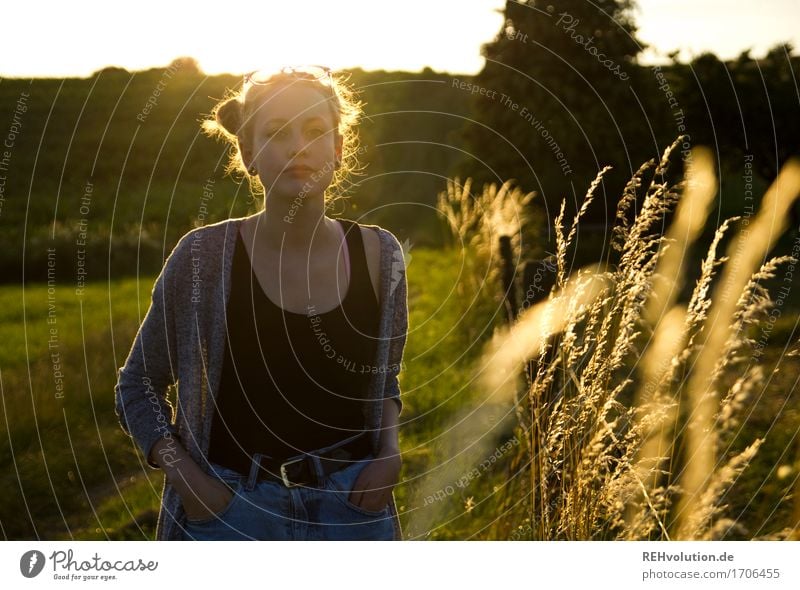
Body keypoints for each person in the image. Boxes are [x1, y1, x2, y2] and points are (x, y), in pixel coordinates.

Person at [114, 65, 408, 541]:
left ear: (337, 150)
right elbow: (138, 384)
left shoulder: (380, 255)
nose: (298, 147)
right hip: (231, 512)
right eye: (276, 133)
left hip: (352, 509)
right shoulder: (201, 259)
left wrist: (389, 455)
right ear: (248, 154)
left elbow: (384, 378)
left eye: (315, 131)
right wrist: (192, 484)